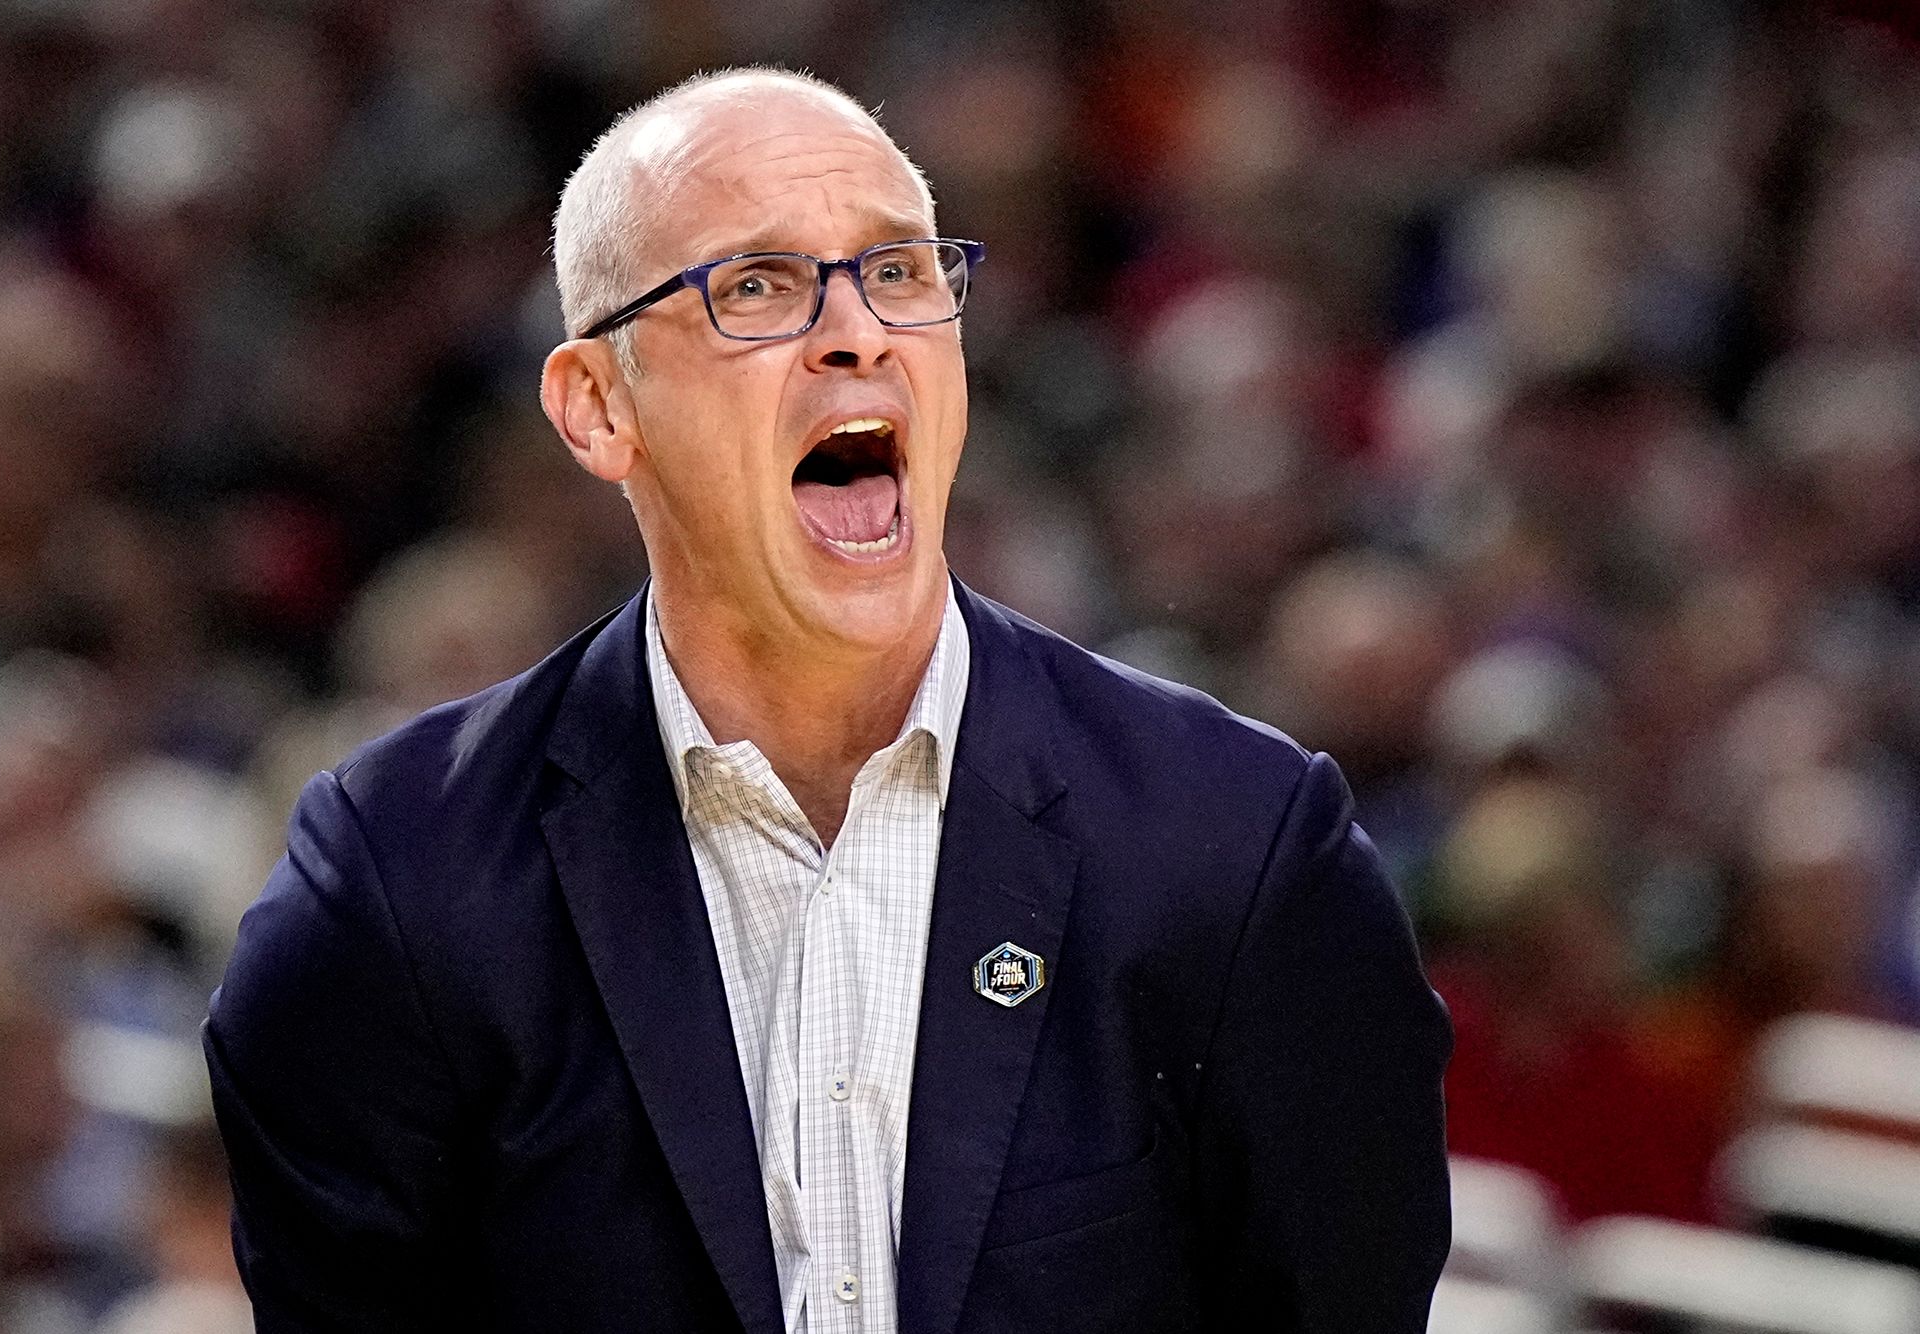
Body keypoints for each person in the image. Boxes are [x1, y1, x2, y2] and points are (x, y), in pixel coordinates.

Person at [203, 68, 1452, 1333]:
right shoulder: (402, 884)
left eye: (898, 273)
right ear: (597, 407)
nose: (857, 332)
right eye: (754, 287)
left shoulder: (1233, 848)